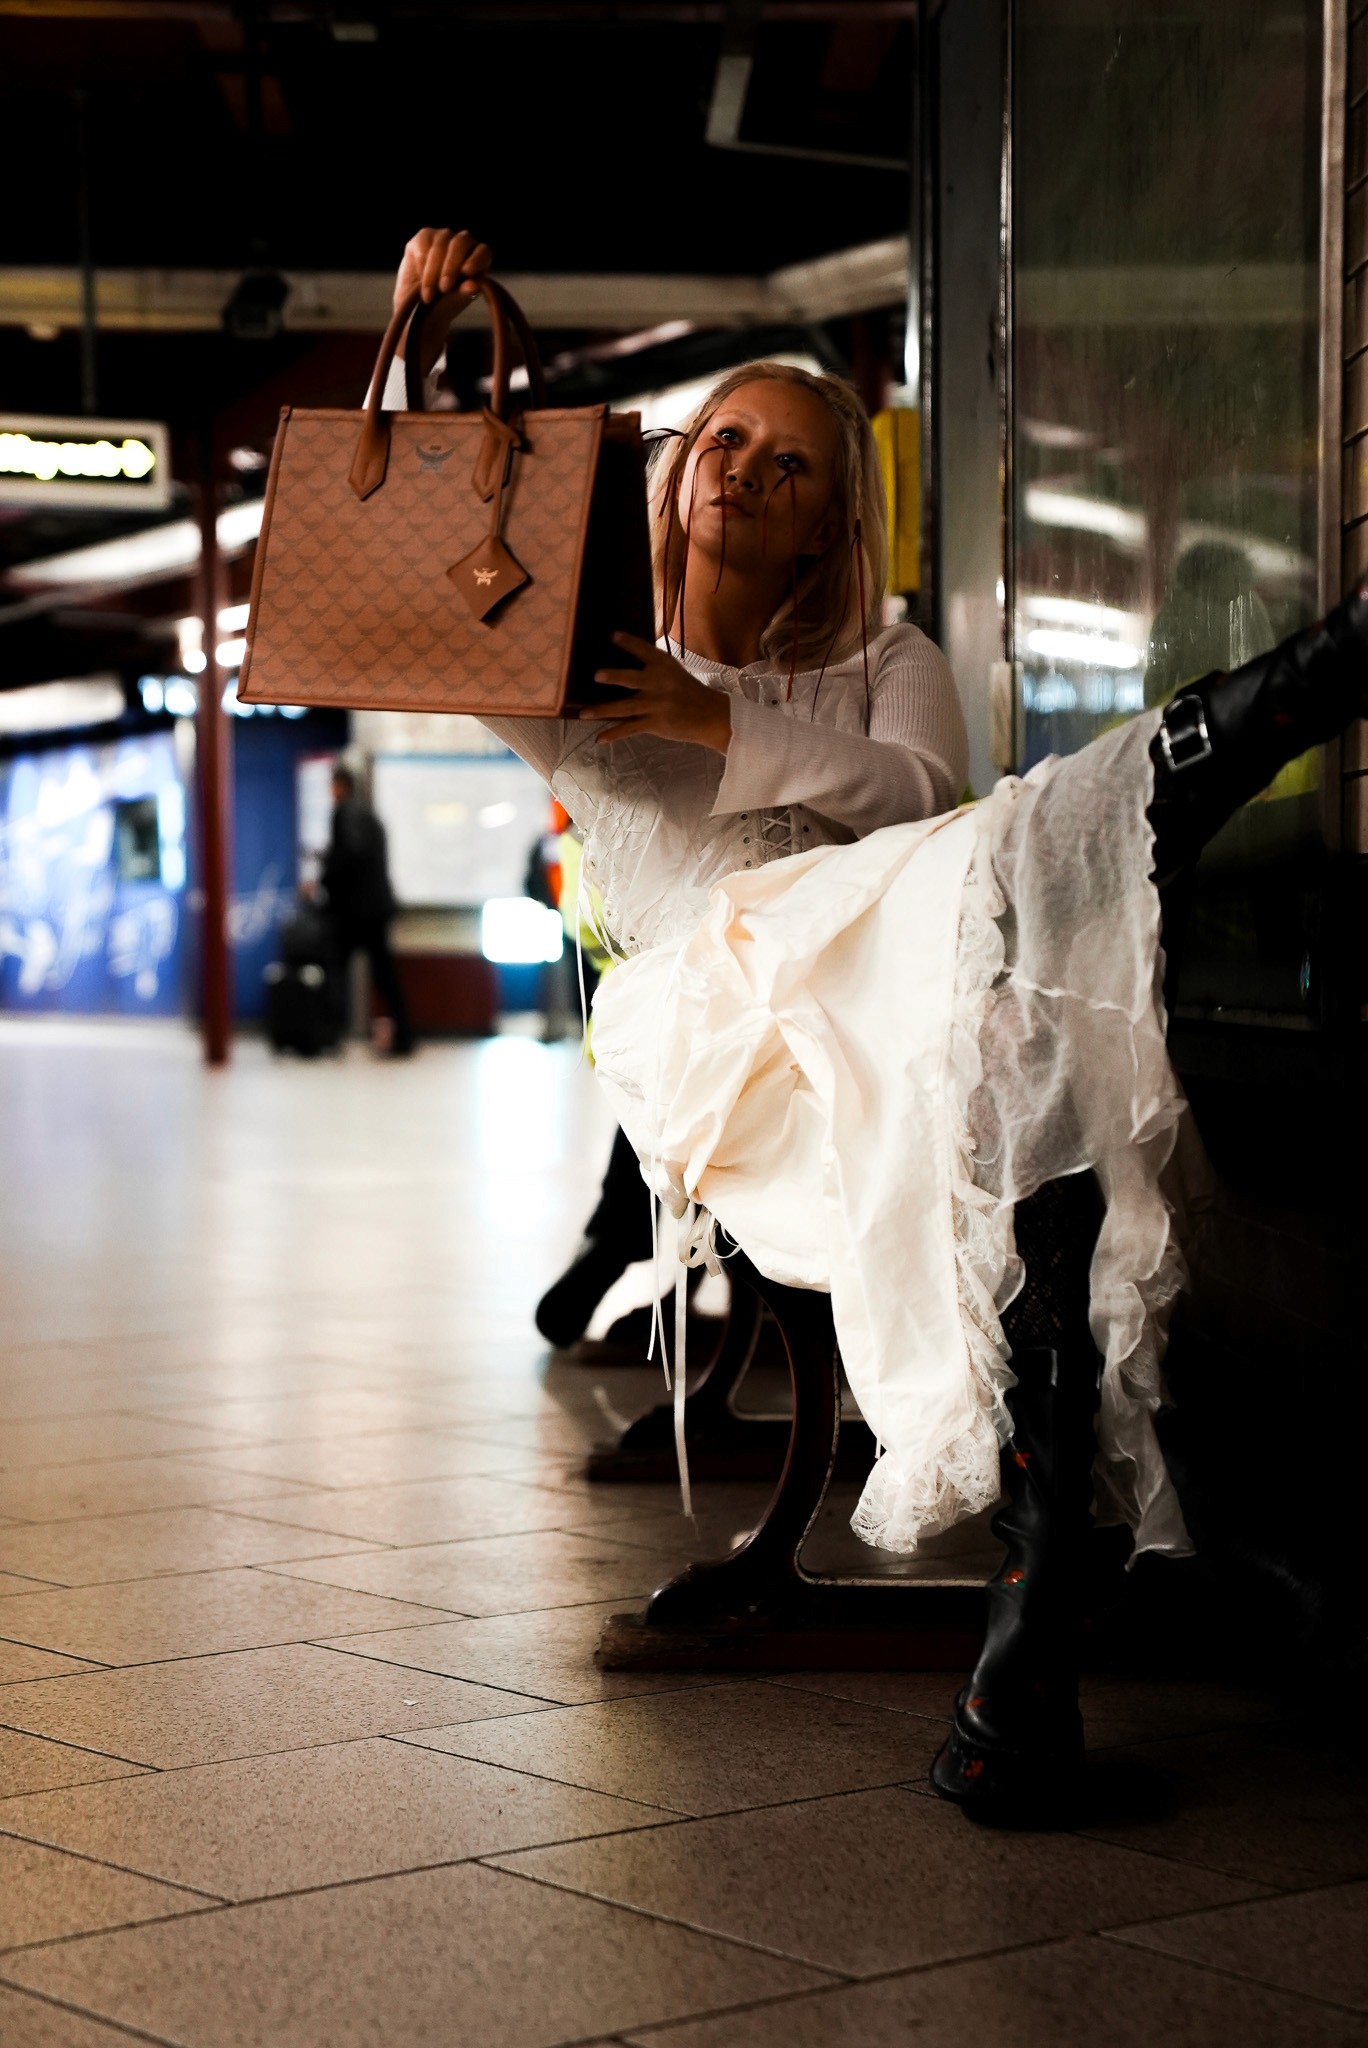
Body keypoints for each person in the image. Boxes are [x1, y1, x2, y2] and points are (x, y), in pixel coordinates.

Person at [385, 228, 1368, 1821]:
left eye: (787, 462)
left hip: (911, 1008)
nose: (747, 473)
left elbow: (918, 798)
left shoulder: (887, 656)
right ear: (675, 467)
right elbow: (429, 546)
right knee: (1015, 896)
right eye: (724, 441)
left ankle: (1029, 1645)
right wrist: (431, 355)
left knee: (1010, 1038)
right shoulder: (560, 664)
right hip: (727, 1039)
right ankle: (1278, 701)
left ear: (834, 513)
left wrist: (730, 722)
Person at [319, 764, 415, 1057]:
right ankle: (405, 1035)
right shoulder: (371, 814)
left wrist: (326, 873)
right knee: (384, 974)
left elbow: (349, 854)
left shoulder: (344, 813)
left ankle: (330, 1036)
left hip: (353, 910)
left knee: (336, 970)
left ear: (340, 786)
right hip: (376, 907)